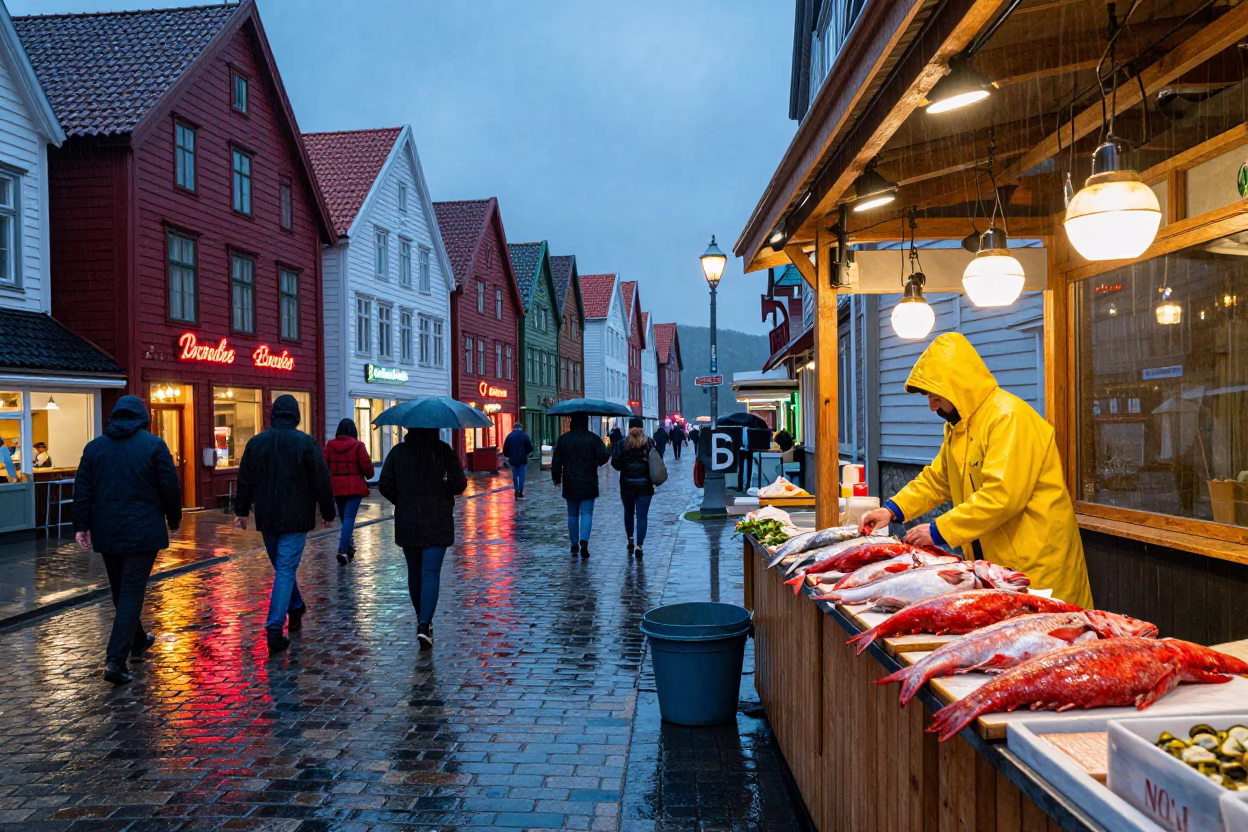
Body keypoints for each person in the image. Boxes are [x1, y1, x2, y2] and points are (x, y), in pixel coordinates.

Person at [859, 333, 1094, 609]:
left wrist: (939, 530)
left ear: (958, 387)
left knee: (1052, 642)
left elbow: (1002, 496)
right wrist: (891, 510)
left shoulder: (1009, 418)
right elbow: (937, 480)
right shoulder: (960, 427)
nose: (931, 406)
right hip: (999, 570)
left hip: (1037, 570)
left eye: (935, 396)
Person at [72, 395, 182, 684]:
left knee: (122, 590)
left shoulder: (94, 448)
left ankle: (138, 641)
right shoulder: (153, 445)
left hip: (108, 531)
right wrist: (174, 519)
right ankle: (116, 660)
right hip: (143, 531)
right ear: (142, 418)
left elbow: (83, 489)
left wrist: (81, 526)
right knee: (131, 592)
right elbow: (170, 486)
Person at [233, 395, 335, 652]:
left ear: (274, 415)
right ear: (296, 416)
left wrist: (242, 511)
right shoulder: (306, 443)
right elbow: (321, 480)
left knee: (283, 568)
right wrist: (328, 512)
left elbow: (245, 478)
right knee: (285, 569)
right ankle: (280, 623)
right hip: (296, 516)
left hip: (267, 516)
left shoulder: (257, 443)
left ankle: (283, 618)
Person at [377, 427, 467, 650]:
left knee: (415, 572)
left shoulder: (398, 452)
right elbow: (460, 483)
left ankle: (422, 621)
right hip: (437, 518)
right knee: (430, 573)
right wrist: (441, 491)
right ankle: (424, 624)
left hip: (408, 520)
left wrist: (403, 499)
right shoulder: (443, 451)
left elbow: (385, 485)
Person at [551, 413, 610, 557]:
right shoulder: (593, 438)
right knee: (587, 513)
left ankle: (573, 543)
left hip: (570, 481)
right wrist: (596, 462)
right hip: (589, 480)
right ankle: (584, 541)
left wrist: (556, 479)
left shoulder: (563, 439)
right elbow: (605, 455)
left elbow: (556, 462)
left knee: (572, 515)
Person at [324, 418, 374, 565]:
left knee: (344, 518)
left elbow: (324, 466)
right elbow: (368, 469)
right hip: (354, 487)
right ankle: (342, 549)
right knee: (349, 518)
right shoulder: (358, 446)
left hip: (336, 486)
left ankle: (350, 547)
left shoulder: (330, 446)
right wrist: (368, 475)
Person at [611, 418, 656, 558]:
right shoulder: (650, 443)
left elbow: (616, 464)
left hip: (627, 484)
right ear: (642, 428)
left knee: (628, 513)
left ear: (629, 428)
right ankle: (639, 546)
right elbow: (656, 462)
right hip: (645, 484)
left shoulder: (621, 444)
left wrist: (625, 466)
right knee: (642, 516)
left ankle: (630, 539)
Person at [501, 422, 533, 498]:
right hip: (523, 459)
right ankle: (521, 490)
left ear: (513, 428)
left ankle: (516, 489)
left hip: (513, 459)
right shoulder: (525, 436)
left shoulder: (509, 436)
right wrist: (528, 454)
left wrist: (506, 455)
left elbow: (505, 448)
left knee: (515, 475)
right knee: (522, 475)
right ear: (521, 428)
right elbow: (529, 448)